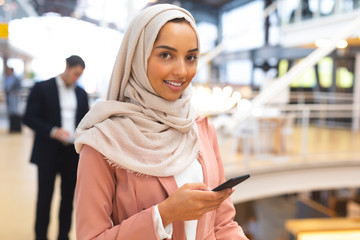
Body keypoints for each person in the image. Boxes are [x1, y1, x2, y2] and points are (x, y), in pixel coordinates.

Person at [74, 4, 249, 240]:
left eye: (191, 58)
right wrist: (164, 215)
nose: (181, 71)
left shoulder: (199, 128)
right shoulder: (103, 143)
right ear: (138, 56)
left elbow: (223, 223)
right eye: (166, 55)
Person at [23, 55, 89, 240]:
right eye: (75, 73)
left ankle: (63, 235)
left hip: (71, 154)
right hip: (48, 151)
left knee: (68, 199)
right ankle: (41, 236)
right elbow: (29, 117)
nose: (76, 78)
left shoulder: (81, 94)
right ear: (67, 67)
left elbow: (86, 121)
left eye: (80, 75)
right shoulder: (42, 88)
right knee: (45, 197)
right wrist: (52, 131)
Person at [4, 67, 22, 133]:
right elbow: (6, 88)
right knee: (11, 114)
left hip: (15, 99)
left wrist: (16, 91)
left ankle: (17, 129)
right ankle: (12, 128)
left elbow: (20, 87)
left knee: (16, 114)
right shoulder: (7, 79)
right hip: (10, 98)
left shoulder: (17, 79)